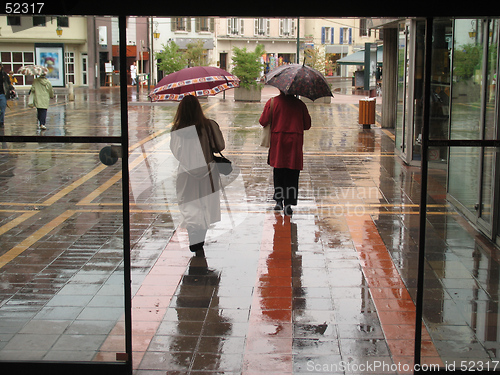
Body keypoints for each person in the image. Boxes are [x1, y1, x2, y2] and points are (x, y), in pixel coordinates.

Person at [170, 95, 225, 256]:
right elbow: (220, 146)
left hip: (186, 175)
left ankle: (193, 235)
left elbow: (176, 152)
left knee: (190, 206)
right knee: (206, 205)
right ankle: (199, 239)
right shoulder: (208, 125)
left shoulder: (176, 130)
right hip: (208, 172)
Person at [259, 91, 311, 216]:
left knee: (278, 171)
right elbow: (307, 125)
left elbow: (263, 121)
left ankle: (278, 201)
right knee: (293, 173)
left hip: (278, 142)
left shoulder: (272, 102)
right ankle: (289, 203)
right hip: (294, 142)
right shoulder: (300, 104)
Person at [0, 62, 16, 128]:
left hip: (3, 94)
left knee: (2, 110)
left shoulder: (4, 74)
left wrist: (12, 89)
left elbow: (8, 83)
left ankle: (1, 122)